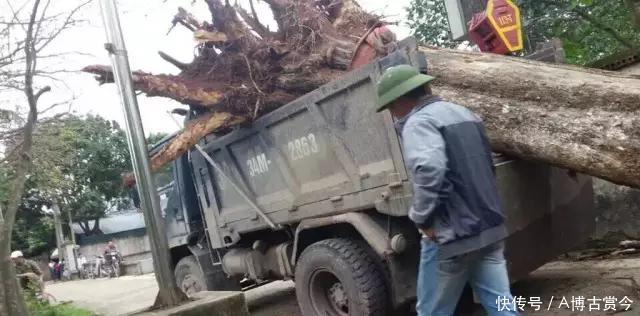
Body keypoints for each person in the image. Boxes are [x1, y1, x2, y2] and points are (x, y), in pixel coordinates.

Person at [375, 65, 517, 315]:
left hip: (451, 235)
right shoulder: (465, 114)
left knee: (432, 311)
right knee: (501, 304)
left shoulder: (419, 123)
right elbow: (487, 165)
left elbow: (430, 170)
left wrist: (421, 218)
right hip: (490, 227)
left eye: (389, 107)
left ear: (398, 100)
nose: (392, 115)